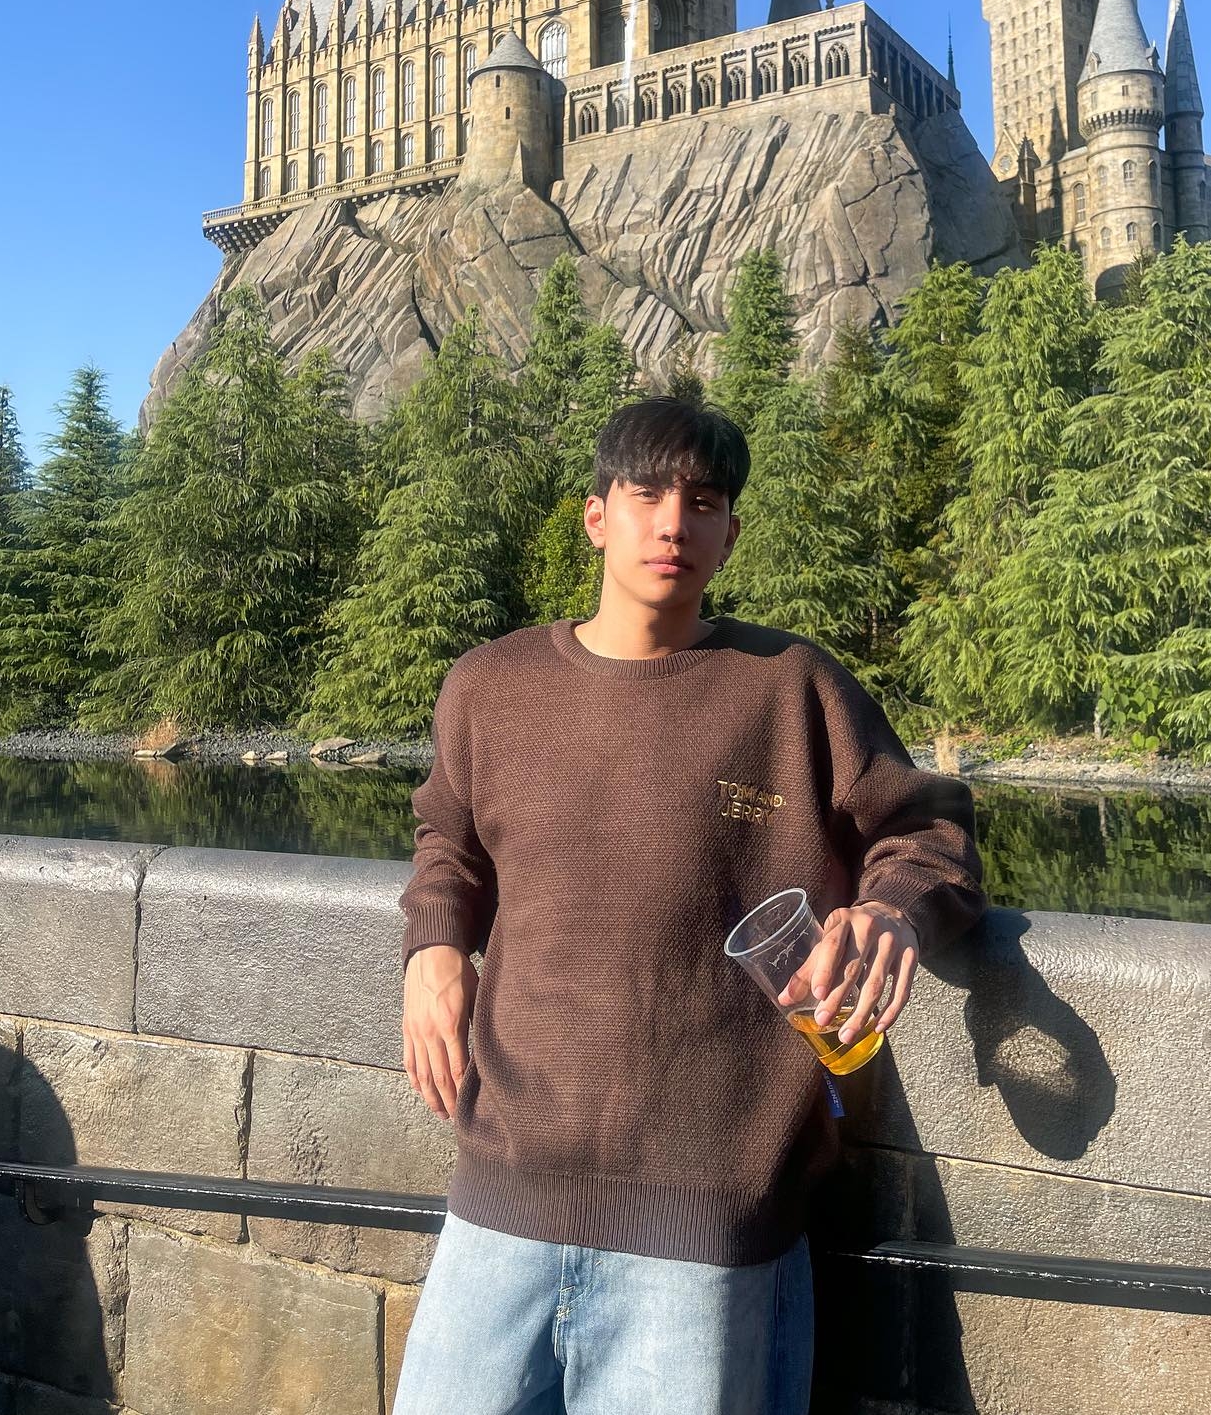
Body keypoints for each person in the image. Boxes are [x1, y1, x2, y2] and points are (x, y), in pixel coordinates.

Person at [392, 397, 985, 1415]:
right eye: (647, 494)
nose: (674, 522)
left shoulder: (792, 686)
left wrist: (890, 912)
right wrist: (434, 944)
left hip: (709, 1226)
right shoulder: (489, 686)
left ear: (730, 532)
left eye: (703, 502)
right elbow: (447, 838)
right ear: (596, 517)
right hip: (499, 1199)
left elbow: (928, 830)